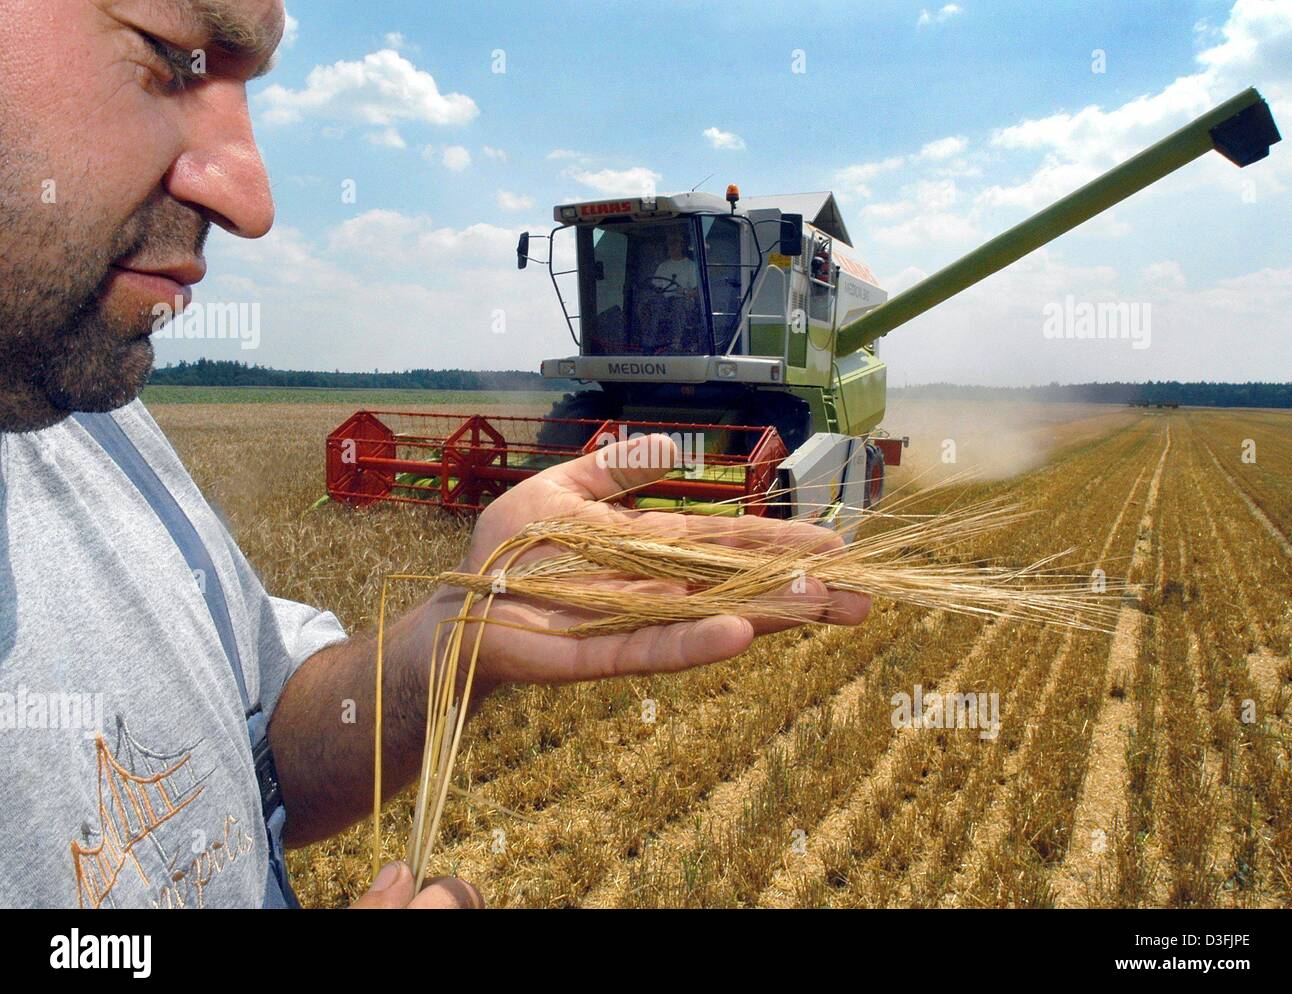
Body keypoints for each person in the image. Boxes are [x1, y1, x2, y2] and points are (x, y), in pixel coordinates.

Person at [0, 0, 869, 909]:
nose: (253, 202)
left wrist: (448, 642)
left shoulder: (88, 423)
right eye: (173, 55)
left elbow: (263, 751)